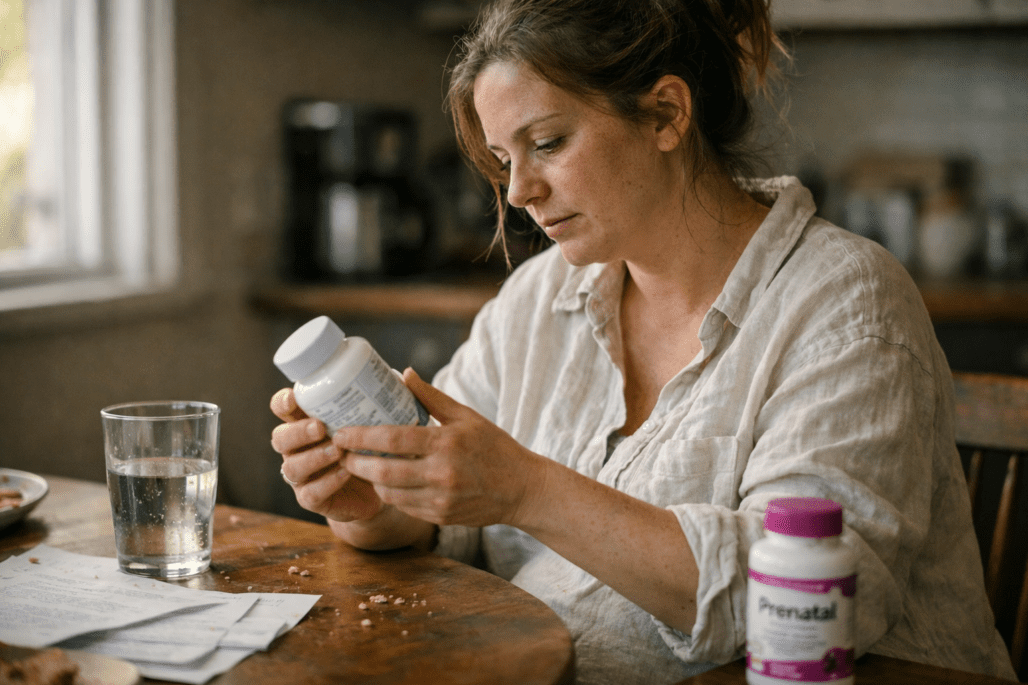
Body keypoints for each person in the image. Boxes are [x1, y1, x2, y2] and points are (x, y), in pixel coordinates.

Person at [270, 1, 1017, 683]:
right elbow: (447, 523)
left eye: (548, 142)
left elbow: (801, 606)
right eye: (504, 161)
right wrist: (372, 503)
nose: (520, 191)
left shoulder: (847, 304)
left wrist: (527, 488)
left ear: (665, 114)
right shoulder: (538, 301)